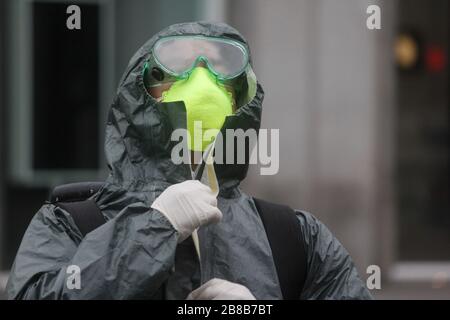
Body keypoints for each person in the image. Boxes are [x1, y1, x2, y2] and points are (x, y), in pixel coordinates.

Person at [6, 22, 372, 300]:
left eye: (217, 67)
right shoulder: (72, 224)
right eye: (179, 65)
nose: (201, 79)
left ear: (238, 96)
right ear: (140, 91)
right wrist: (152, 230)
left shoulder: (294, 238)